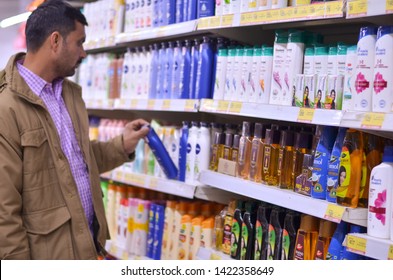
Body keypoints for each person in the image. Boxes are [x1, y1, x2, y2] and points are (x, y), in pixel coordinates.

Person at [0, 0, 149, 259]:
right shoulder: (7, 108)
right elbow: (4, 210)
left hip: (86, 249)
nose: (83, 53)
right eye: (79, 42)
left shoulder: (69, 95)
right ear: (55, 41)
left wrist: (122, 144)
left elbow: (76, 162)